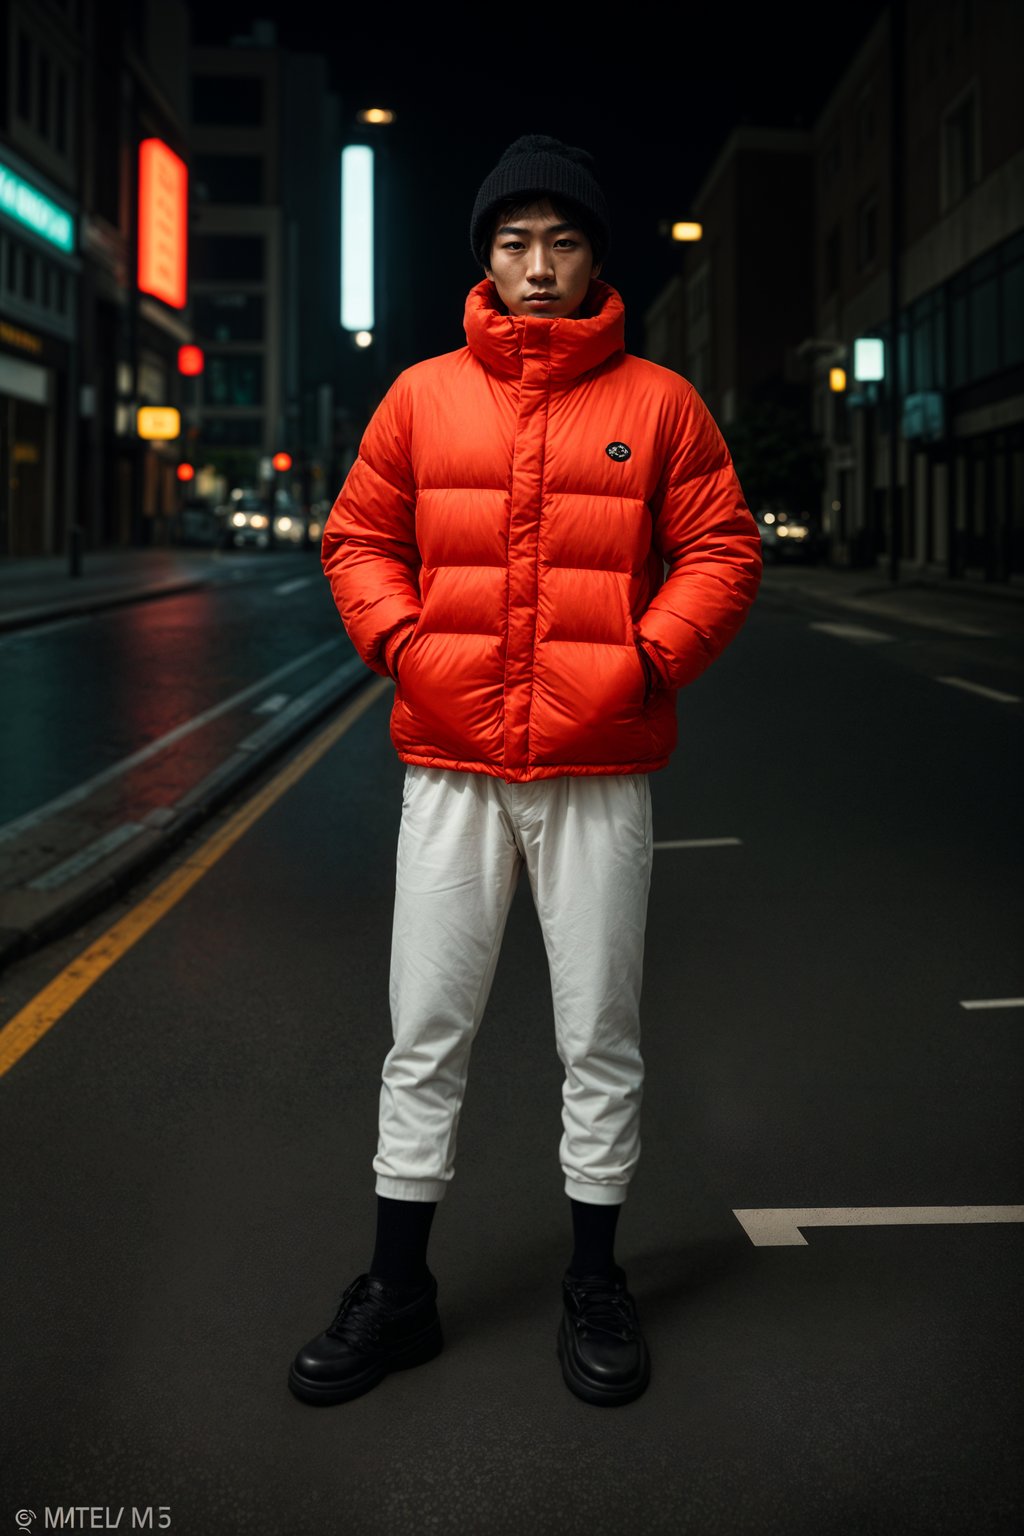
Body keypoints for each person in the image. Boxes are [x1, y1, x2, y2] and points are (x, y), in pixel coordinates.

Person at [288, 133, 762, 1409]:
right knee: (423, 1033)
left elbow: (722, 549)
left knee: (596, 1036)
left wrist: (647, 661)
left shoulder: (659, 402)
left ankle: (593, 1280)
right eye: (512, 243)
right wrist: (401, 642)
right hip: (448, 766)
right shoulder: (421, 396)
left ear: (597, 257)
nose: (536, 267)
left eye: (559, 242)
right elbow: (357, 538)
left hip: (598, 772)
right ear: (484, 261)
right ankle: (398, 1292)